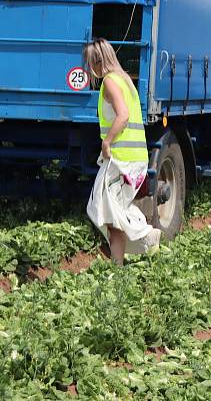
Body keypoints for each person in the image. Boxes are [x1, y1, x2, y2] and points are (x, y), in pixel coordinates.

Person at [84, 38, 161, 266]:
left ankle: (146, 234)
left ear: (97, 62)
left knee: (103, 208)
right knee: (113, 212)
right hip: (133, 158)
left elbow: (123, 115)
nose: (89, 68)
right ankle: (118, 266)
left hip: (121, 160)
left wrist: (107, 142)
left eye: (90, 63)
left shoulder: (109, 81)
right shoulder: (125, 79)